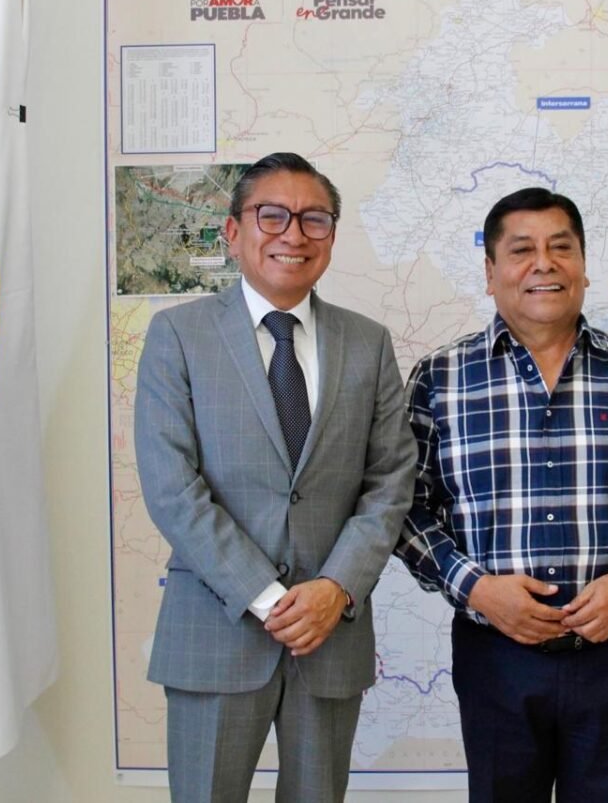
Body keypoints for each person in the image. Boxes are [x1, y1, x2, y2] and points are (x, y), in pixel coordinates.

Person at [396, 186, 608, 803]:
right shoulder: (440, 378)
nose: (543, 264)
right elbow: (404, 508)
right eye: (522, 250)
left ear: (583, 266)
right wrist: (475, 588)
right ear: (490, 273)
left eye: (561, 248)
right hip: (495, 658)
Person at [135, 152, 416, 803]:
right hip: (216, 629)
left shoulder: (368, 343)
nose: (294, 233)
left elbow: (390, 480)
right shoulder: (178, 335)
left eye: (314, 219)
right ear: (234, 231)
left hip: (330, 634)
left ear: (331, 236)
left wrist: (334, 589)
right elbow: (173, 487)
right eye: (273, 216)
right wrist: (268, 597)